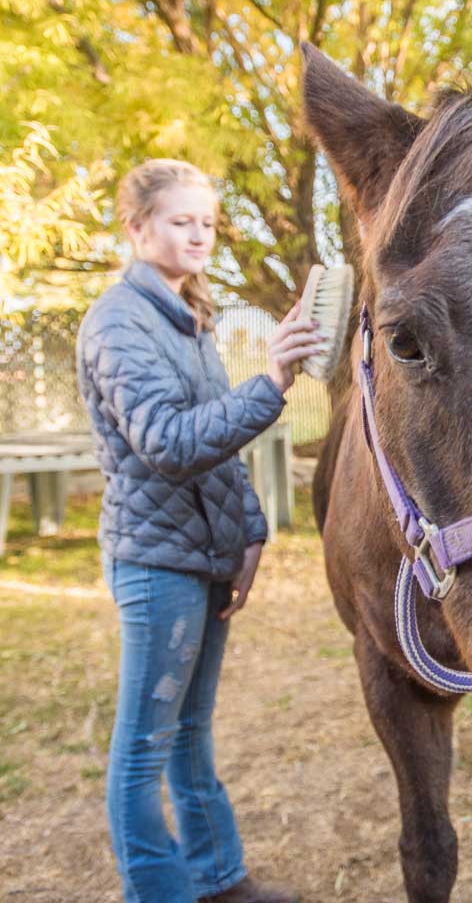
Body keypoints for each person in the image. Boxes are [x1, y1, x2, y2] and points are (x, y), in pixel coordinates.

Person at [76, 159, 327, 903]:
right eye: (181, 220)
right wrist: (274, 381)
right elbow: (170, 442)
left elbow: (216, 452)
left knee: (191, 732)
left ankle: (218, 878)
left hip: (203, 556)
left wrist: (248, 534)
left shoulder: (188, 316)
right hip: (156, 562)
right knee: (144, 746)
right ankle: (159, 891)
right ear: (137, 227)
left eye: (208, 223)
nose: (198, 235)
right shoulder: (118, 321)